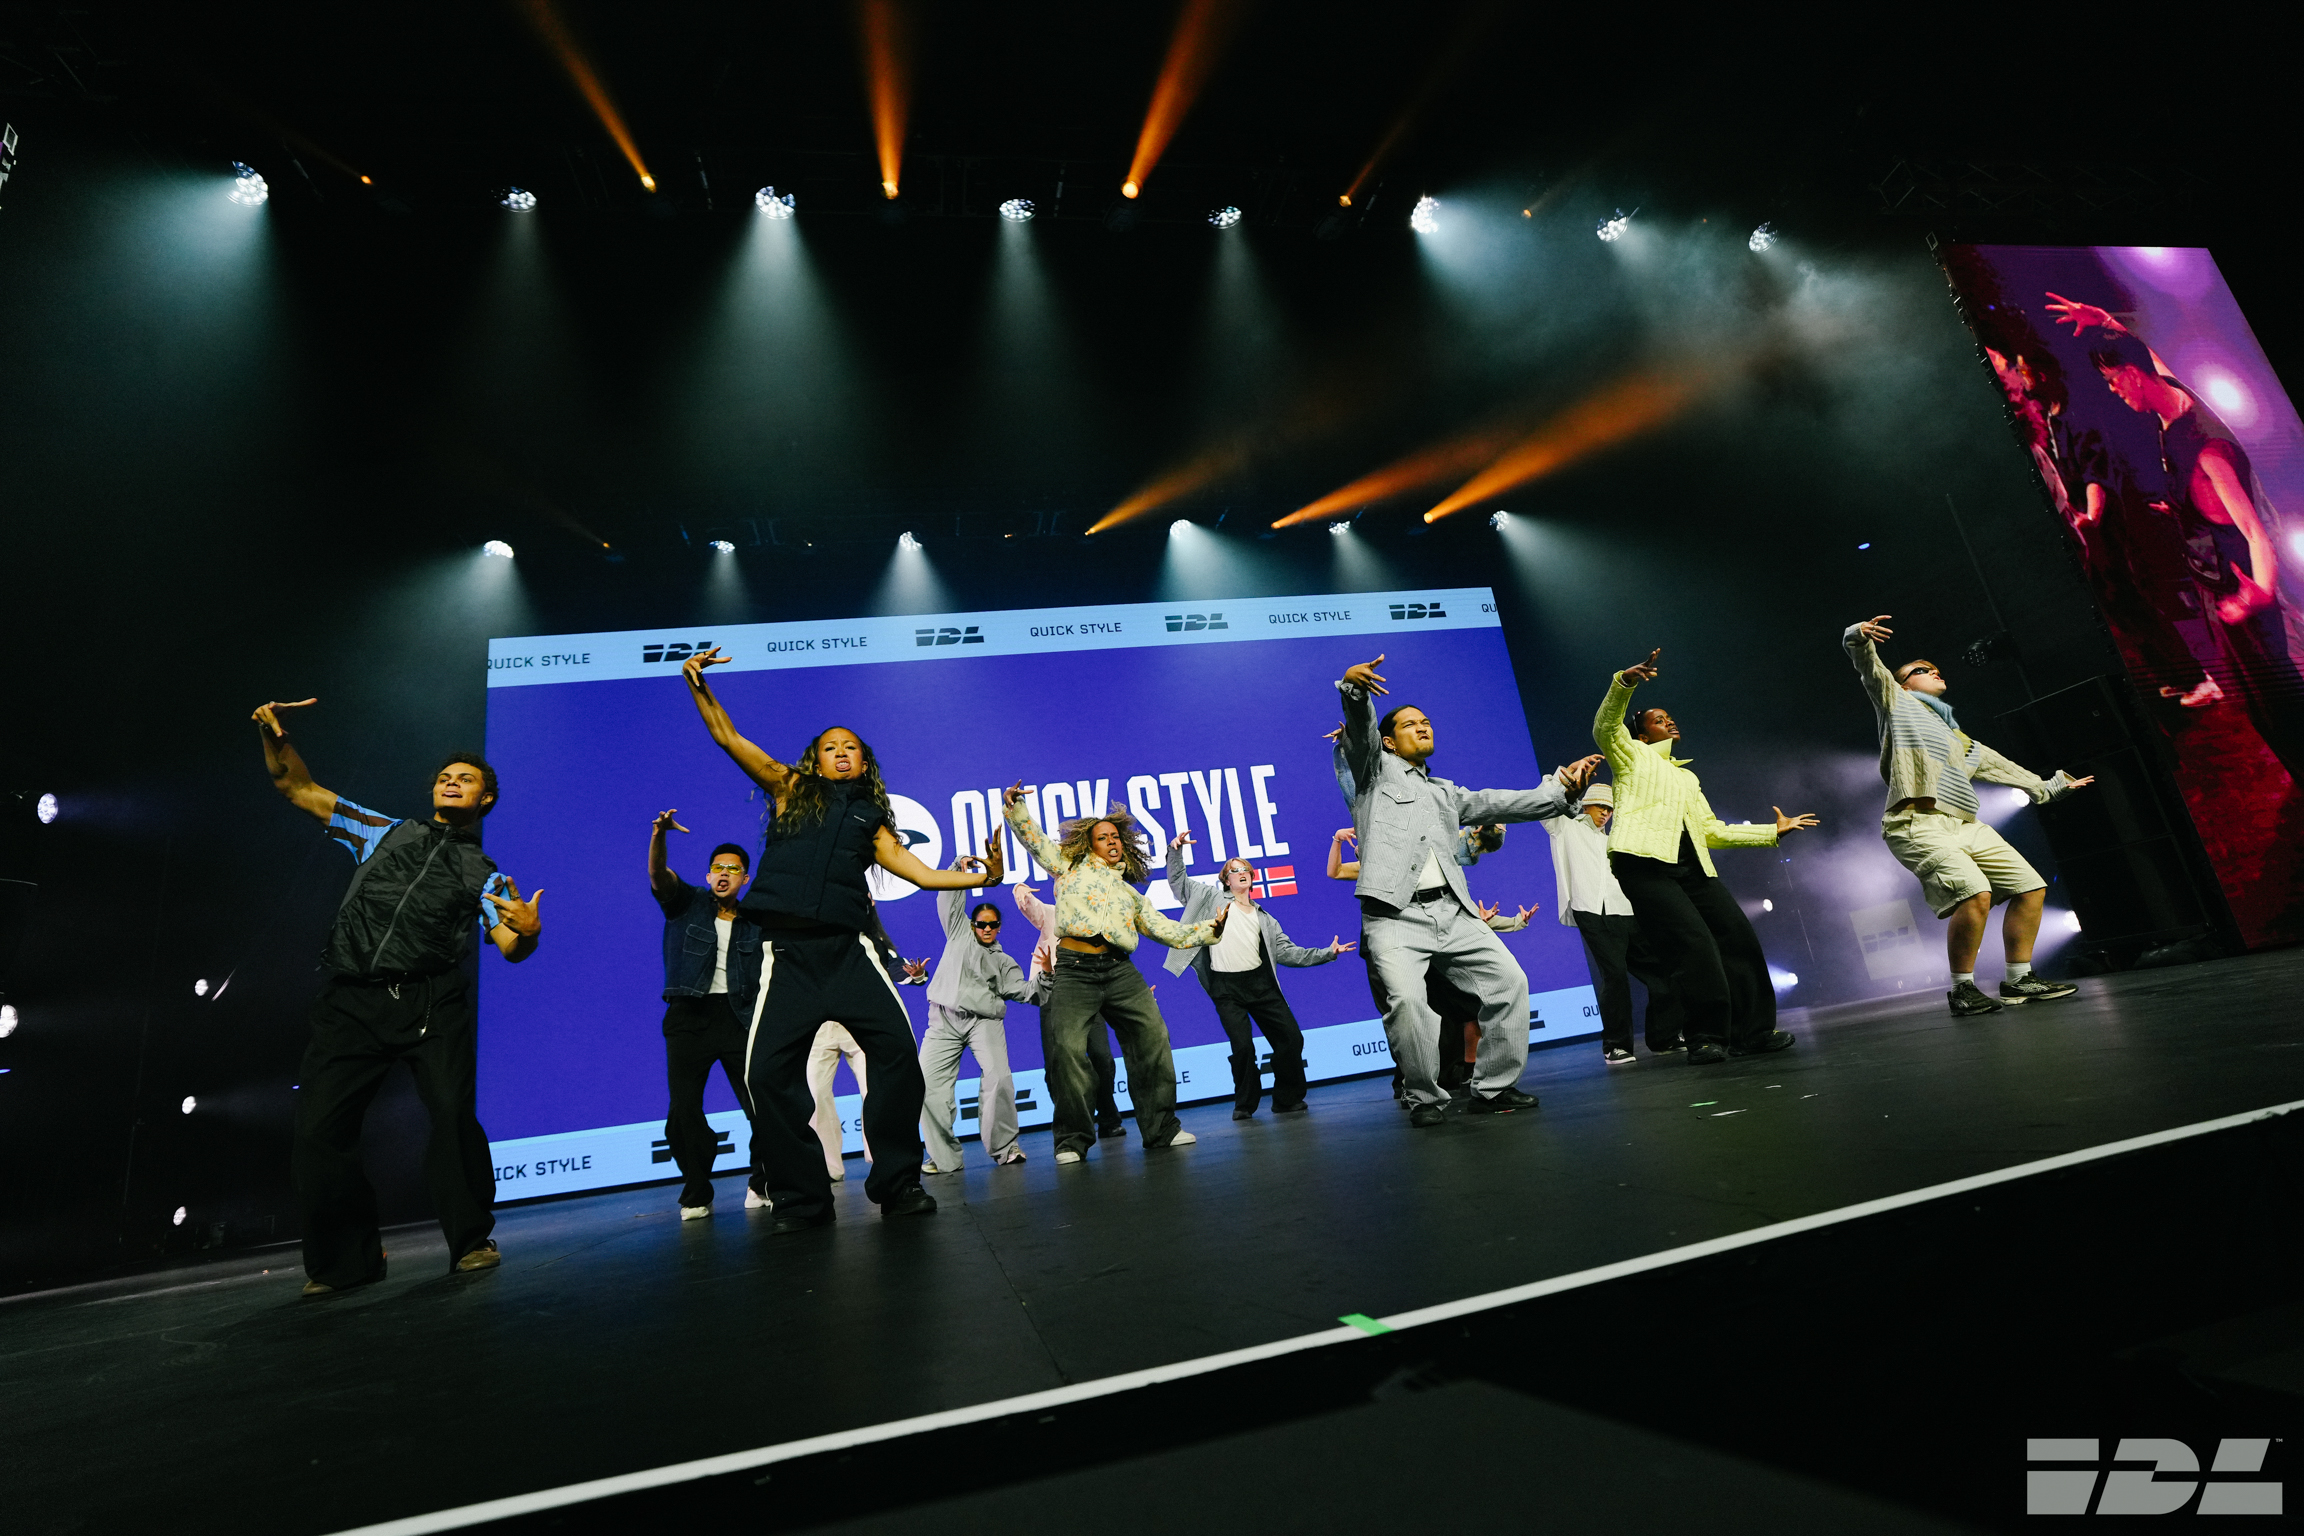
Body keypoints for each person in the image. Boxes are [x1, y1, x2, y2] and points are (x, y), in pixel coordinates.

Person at [679, 647, 986, 1232]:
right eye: (831, 747)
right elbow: (727, 736)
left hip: (850, 954)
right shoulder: (790, 788)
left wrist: (984, 877)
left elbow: (918, 872)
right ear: (815, 761)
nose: (842, 753)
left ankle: (897, 1183)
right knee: (766, 1076)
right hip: (787, 956)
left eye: (851, 748)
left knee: (898, 1055)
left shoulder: (872, 814)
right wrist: (696, 684)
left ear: (863, 761)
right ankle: (802, 1197)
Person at [251, 699, 542, 1295]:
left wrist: (530, 932)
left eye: (465, 780)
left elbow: (509, 945)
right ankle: (347, 1263)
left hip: (430, 1003)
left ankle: (470, 1241)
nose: (451, 782)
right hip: (351, 1002)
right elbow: (294, 785)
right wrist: (272, 736)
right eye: (444, 777)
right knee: (318, 1134)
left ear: (484, 800)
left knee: (451, 1115)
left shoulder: (483, 873)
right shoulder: (380, 832)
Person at [1335, 654, 1599, 1127]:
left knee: (1509, 984)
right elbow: (1359, 733)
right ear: (1390, 742)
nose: (1422, 727)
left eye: (1427, 722)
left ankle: (1493, 1086)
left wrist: (1562, 790)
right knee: (1410, 1005)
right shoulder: (1372, 773)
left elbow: (1501, 802)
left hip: (1453, 915)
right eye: (1410, 724)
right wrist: (1354, 691)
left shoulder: (1443, 793)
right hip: (1394, 916)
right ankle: (1424, 1099)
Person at [2054, 304, 2304, 775]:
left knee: (2278, 701)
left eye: (2113, 381)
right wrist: (2107, 322)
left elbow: (2255, 530)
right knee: (2263, 701)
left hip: (2239, 584)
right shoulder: (2173, 403)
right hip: (2220, 584)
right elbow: (2155, 361)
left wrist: (2260, 593)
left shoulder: (2207, 450)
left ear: (2132, 374)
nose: (2113, 391)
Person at [1844, 616, 2094, 1014]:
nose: (1935, 672)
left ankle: (2019, 980)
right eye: (1923, 671)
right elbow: (1868, 668)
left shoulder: (1958, 738)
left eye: (1937, 669)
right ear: (1905, 684)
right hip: (1917, 823)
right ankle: (1962, 989)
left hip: (1966, 824)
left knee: (2031, 888)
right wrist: (1858, 637)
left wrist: (2049, 787)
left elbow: (2001, 768)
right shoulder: (1896, 702)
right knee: (1975, 893)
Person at [1595, 650, 1817, 1065]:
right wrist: (1624, 682)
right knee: (1694, 947)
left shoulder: (1685, 776)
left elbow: (1710, 830)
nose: (1669, 721)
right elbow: (1606, 724)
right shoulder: (1630, 754)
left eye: (1670, 717)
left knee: (1739, 938)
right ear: (1641, 734)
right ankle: (1705, 1036)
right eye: (1659, 719)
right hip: (1642, 864)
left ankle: (1752, 1033)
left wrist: (1771, 831)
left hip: (1692, 866)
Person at [1000, 786, 1224, 1163]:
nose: (1112, 842)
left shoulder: (1130, 895)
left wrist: (1210, 929)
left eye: (1116, 837)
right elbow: (1035, 842)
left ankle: (1161, 1128)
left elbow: (1166, 930)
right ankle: (1072, 1139)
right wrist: (1016, 808)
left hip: (1120, 970)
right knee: (1068, 1051)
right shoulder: (1067, 867)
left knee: (1152, 1037)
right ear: (1089, 845)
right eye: (1102, 837)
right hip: (1074, 971)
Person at [1329, 825, 1532, 1098]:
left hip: (1431, 946)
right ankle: (1410, 1086)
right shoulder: (1371, 871)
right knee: (1406, 1012)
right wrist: (1337, 841)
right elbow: (1336, 871)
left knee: (1450, 1012)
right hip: (1387, 947)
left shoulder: (1431, 867)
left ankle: (1456, 1078)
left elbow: (1464, 903)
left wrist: (1513, 923)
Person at [1163, 832, 1352, 1119]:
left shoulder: (1265, 918)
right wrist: (1175, 851)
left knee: (1291, 1038)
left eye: (1245, 870)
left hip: (1261, 986)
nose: (1240, 873)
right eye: (1233, 870)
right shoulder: (1208, 897)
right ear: (1226, 880)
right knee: (1242, 1047)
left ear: (1252, 877)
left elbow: (1290, 953)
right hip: (1226, 987)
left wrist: (1328, 952)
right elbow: (1178, 882)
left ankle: (1286, 1099)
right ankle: (1245, 1104)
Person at [646, 810, 765, 1220]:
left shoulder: (755, 920)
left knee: (763, 1107)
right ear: (709, 872)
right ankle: (697, 1188)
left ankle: (761, 1181)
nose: (724, 874)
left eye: (733, 869)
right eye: (718, 867)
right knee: (683, 1114)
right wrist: (659, 834)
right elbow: (659, 874)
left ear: (744, 878)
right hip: (688, 1016)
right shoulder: (687, 903)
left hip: (737, 1018)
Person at [920, 840, 1047, 1174]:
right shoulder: (959, 932)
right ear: (972, 924)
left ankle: (1005, 1148)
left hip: (983, 1022)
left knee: (999, 1078)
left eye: (992, 925)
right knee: (929, 1086)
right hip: (944, 1020)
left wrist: (1047, 976)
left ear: (999, 928)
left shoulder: (1004, 961)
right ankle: (943, 1159)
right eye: (982, 924)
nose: (987, 928)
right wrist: (959, 865)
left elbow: (1025, 992)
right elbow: (948, 898)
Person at [1540, 778, 1683, 1063]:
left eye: (1609, 809)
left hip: (1626, 911)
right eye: (1600, 807)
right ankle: (1615, 1045)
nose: (1605, 813)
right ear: (1586, 805)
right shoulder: (1565, 827)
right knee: (1615, 974)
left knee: (1662, 971)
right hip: (1590, 910)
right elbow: (1547, 800)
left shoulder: (1616, 837)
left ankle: (1663, 1037)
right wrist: (1564, 777)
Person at [1015, 881, 1127, 1139]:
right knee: (1057, 1064)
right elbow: (1030, 907)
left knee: (1102, 1058)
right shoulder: (1050, 914)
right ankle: (1069, 1126)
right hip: (1054, 996)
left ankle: (1108, 1118)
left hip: (1090, 994)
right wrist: (1019, 889)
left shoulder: (1094, 918)